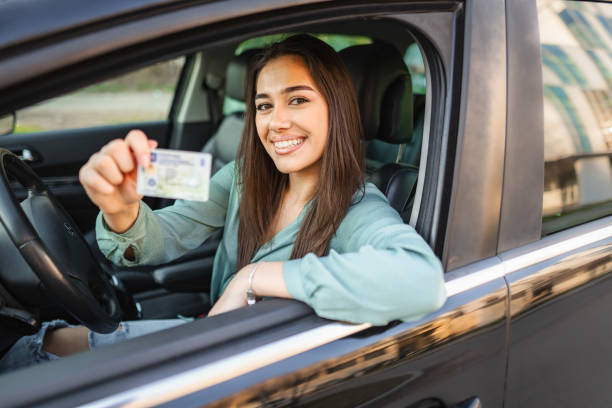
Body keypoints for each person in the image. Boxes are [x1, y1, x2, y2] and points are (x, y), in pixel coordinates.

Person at [0, 35, 446, 371]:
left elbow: (420, 281)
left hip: (264, 365)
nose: (277, 122)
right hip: (212, 335)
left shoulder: (359, 206)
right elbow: (164, 238)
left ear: (339, 109)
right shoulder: (242, 178)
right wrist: (122, 210)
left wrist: (254, 278)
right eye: (264, 106)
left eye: (298, 100)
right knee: (41, 346)